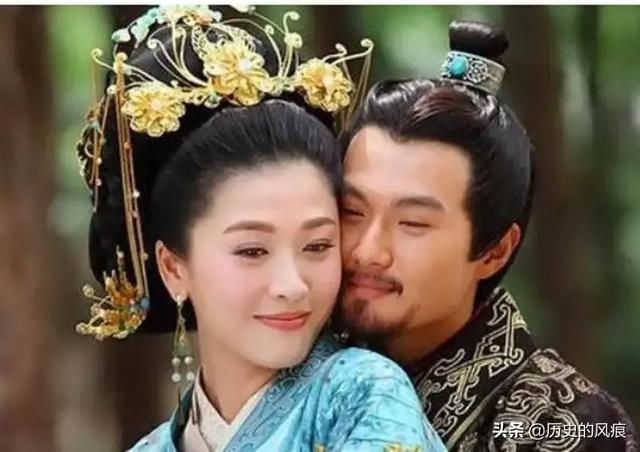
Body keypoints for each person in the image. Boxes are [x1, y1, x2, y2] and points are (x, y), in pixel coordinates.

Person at [74, 6, 446, 452]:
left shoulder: (363, 394)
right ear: (173, 268)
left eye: (317, 245)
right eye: (252, 251)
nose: (292, 285)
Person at [336, 19, 637, 451]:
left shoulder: (568, 423)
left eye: (413, 223)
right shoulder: (295, 361)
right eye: (352, 211)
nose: (367, 251)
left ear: (495, 250)